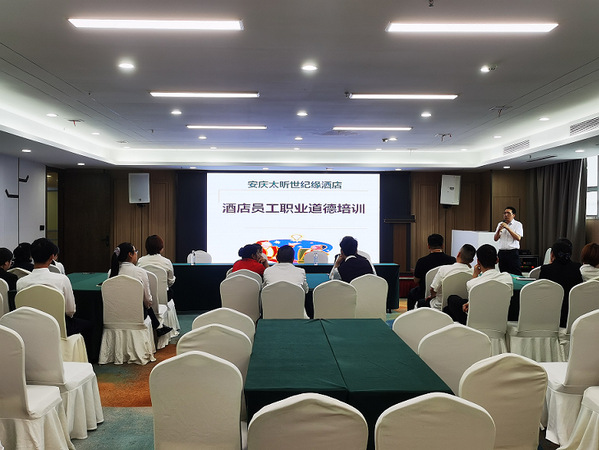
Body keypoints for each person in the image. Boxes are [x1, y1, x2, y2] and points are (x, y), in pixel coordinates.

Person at [16, 237, 89, 336]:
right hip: (59, 328)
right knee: (90, 325)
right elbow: (70, 311)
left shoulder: (20, 282)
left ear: (32, 256)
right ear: (52, 257)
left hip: (30, 328)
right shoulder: (62, 279)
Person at [110, 242, 172, 336]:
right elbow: (148, 300)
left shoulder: (111, 272)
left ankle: (158, 326)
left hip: (115, 315)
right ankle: (158, 326)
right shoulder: (140, 272)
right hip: (136, 315)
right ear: (130, 254)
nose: (136, 253)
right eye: (135, 251)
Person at [443, 244, 513, 325]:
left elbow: (474, 303)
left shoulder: (473, 283)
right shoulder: (507, 278)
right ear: (497, 260)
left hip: (476, 323)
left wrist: (475, 276)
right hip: (499, 320)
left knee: (451, 301)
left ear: (478, 262)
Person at [539, 239, 583, 328]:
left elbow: (541, 293)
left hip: (550, 315)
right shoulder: (577, 268)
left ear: (552, 254)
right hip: (571, 316)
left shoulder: (546, 270)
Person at [417, 243, 475, 310]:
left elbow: (433, 289)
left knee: (420, 303)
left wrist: (432, 296)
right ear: (471, 261)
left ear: (458, 254)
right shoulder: (473, 273)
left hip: (439, 306)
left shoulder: (444, 269)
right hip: (461, 308)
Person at [407, 234, 456, 310]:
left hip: (424, 293)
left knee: (412, 293)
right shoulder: (452, 260)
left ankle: (411, 315)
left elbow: (416, 280)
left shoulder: (421, 261)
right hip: (446, 294)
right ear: (442, 246)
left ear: (428, 246)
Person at [494, 206, 524, 275]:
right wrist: (499, 230)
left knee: (515, 272)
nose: (506, 215)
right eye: (504, 213)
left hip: (512, 253)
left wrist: (508, 228)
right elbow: (495, 239)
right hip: (502, 253)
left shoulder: (518, 224)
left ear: (513, 215)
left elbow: (518, 238)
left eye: (508, 213)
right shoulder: (500, 224)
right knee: (503, 273)